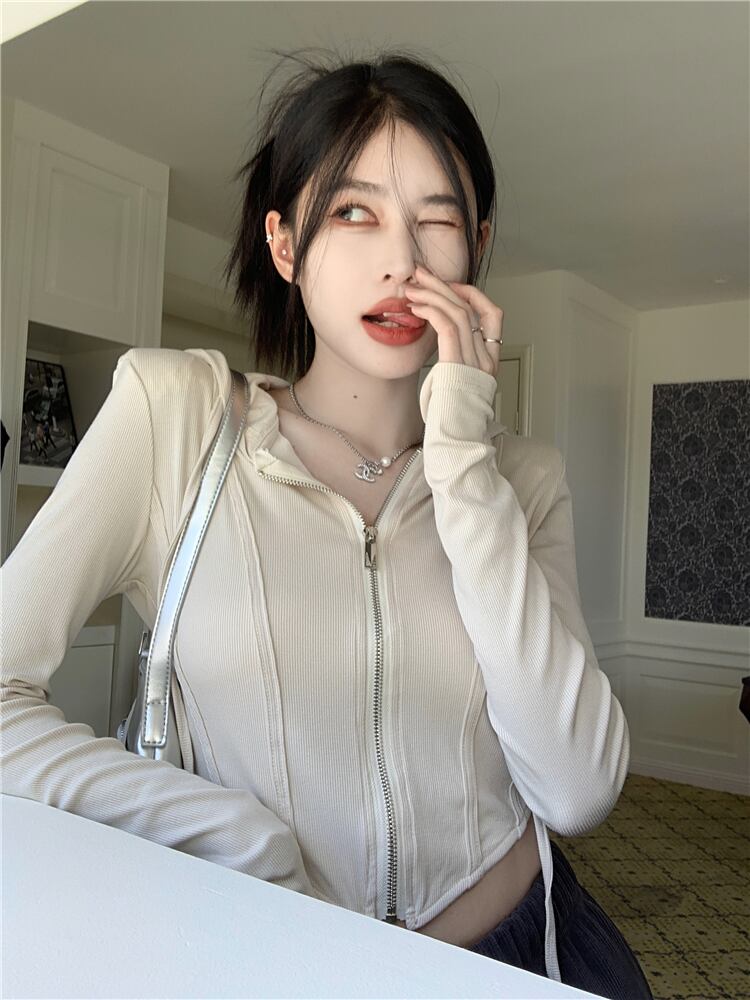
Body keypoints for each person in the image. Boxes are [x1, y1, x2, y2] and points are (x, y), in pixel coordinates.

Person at [1, 48, 653, 999]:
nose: (401, 261)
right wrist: (224, 831)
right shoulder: (171, 418)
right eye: (353, 212)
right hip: (271, 961)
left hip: (530, 953)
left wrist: (464, 463)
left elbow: (577, 788)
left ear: (476, 246)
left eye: (438, 219)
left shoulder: (524, 479)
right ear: (284, 245)